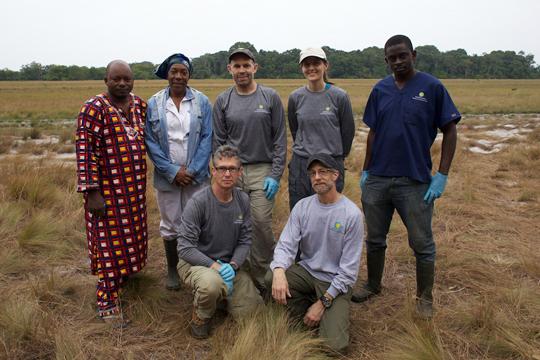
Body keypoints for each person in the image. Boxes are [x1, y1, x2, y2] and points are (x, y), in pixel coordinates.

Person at [352, 35, 461, 319]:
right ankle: (374, 285)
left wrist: (442, 175)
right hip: (378, 179)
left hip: (415, 181)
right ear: (385, 60)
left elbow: (450, 130)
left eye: (402, 55)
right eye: (392, 58)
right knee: (375, 238)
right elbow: (373, 132)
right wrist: (366, 169)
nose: (398, 62)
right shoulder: (380, 89)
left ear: (414, 55)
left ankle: (425, 298)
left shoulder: (432, 87)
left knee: (422, 243)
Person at [266, 153, 364, 354]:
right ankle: (303, 307)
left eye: (323, 172)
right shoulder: (303, 207)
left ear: (335, 175)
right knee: (271, 278)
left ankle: (322, 309)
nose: (317, 177)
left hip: (335, 282)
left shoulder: (351, 214)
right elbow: (286, 246)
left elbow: (348, 272)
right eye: (313, 173)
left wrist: (323, 303)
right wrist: (278, 270)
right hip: (308, 273)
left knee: (335, 348)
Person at [76, 60, 148, 327]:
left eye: (126, 79)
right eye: (116, 79)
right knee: (108, 244)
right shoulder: (93, 108)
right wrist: (92, 192)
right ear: (105, 80)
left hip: (134, 192)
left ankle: (124, 278)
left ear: (133, 81)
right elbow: (85, 152)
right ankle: (107, 301)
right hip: (106, 193)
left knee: (132, 238)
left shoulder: (139, 106)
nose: (121, 84)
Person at [213, 48, 287, 291]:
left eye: (246, 65)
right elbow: (219, 142)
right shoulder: (223, 101)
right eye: (237, 66)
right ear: (229, 70)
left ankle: (265, 273)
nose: (242, 70)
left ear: (255, 67)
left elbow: (279, 140)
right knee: (234, 222)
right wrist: (223, 172)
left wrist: (275, 175)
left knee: (260, 221)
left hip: (262, 170)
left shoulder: (270, 97)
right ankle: (237, 269)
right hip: (232, 170)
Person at [177, 145, 263, 339]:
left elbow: (245, 240)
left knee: (253, 316)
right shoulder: (198, 202)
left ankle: (222, 299)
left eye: (232, 169)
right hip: (197, 263)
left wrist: (232, 265)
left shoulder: (243, 201)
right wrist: (215, 267)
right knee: (211, 285)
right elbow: (184, 248)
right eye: (222, 168)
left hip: (229, 265)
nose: (227, 174)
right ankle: (201, 316)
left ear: (240, 172)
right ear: (213, 171)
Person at [145, 53, 212, 291]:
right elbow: (150, 142)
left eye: (183, 72)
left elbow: (207, 137)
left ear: (189, 75)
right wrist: (173, 171)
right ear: (167, 74)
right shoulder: (154, 103)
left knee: (198, 220)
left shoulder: (202, 101)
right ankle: (173, 269)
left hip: (197, 176)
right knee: (171, 223)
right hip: (167, 177)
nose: (179, 76)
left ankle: (198, 268)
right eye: (174, 71)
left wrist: (192, 170)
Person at [287, 47, 355, 210]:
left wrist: (336, 157)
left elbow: (348, 132)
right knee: (300, 211)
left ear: (325, 65)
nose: (311, 68)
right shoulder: (295, 97)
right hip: (301, 164)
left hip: (330, 162)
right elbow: (295, 129)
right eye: (306, 64)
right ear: (301, 68)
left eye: (316, 63)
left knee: (329, 212)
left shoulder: (340, 96)